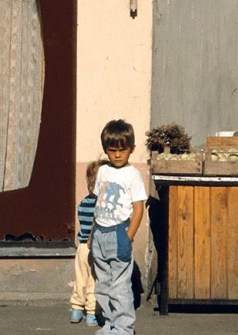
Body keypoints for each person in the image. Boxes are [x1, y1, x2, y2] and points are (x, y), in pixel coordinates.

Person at [91, 120, 147, 334]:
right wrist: (91, 233)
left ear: (131, 149)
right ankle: (109, 323)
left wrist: (128, 236)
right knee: (103, 285)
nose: (117, 155)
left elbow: (138, 208)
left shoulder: (132, 175)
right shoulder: (103, 171)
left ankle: (124, 327)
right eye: (112, 150)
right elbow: (99, 202)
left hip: (119, 234)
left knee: (120, 286)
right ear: (106, 150)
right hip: (100, 234)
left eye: (122, 150)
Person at [69, 159, 104, 326]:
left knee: (80, 278)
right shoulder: (102, 205)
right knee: (93, 280)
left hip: (81, 246)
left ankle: (76, 310)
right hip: (94, 246)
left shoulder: (83, 203)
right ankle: (91, 313)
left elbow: (82, 224)